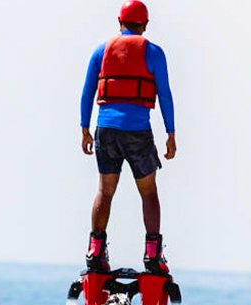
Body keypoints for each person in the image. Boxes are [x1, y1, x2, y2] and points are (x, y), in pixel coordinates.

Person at [79, 0, 175, 276]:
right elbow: (165, 94)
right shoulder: (154, 52)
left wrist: (85, 128)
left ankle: (95, 252)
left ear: (119, 22)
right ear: (144, 25)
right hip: (137, 132)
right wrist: (171, 133)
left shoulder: (101, 50)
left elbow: (88, 92)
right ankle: (153, 255)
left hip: (106, 130)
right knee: (148, 192)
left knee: (105, 191)